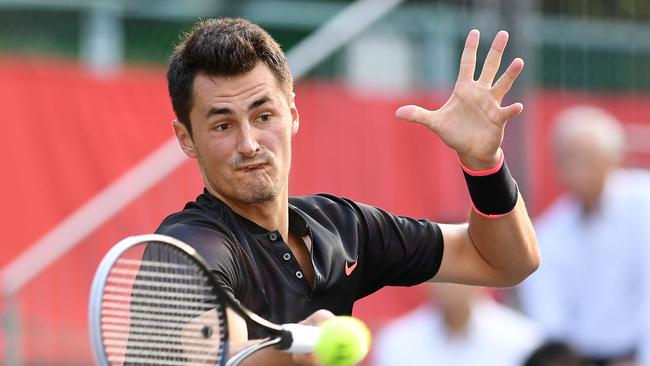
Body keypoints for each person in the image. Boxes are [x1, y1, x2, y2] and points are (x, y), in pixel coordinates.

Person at [158, 17, 540, 365]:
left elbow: (506, 261)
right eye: (223, 126)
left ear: (291, 114)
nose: (249, 144)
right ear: (186, 138)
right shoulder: (187, 247)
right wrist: (297, 349)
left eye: (263, 116)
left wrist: (484, 164)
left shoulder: (344, 228)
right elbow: (215, 357)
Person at [518, 106, 650, 366]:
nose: (577, 168)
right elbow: (548, 319)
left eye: (588, 156)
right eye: (568, 157)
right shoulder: (549, 232)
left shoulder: (644, 205)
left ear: (613, 158)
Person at [373, 283, 543, 366]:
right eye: (438, 267)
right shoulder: (395, 342)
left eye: (459, 265)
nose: (448, 281)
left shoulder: (526, 341)